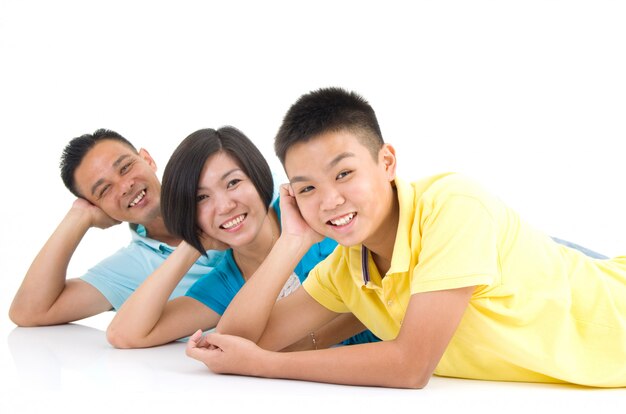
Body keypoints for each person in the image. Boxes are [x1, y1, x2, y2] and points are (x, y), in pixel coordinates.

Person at [185, 87, 626, 389]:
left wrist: (268, 367)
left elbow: (411, 366)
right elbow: (237, 342)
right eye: (307, 188)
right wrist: (291, 241)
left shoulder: (453, 205)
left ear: (387, 162)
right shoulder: (346, 267)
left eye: (344, 173)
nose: (330, 200)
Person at [106, 127, 378, 349]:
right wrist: (192, 245)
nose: (224, 206)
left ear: (259, 178)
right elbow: (125, 334)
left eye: (233, 183)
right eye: (201, 198)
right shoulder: (226, 281)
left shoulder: (320, 219)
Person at [9, 129, 223, 326]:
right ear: (97, 207)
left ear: (147, 159)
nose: (124, 187)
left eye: (125, 167)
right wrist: (79, 217)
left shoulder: (220, 193)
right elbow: (29, 311)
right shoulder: (128, 269)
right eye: (104, 190)